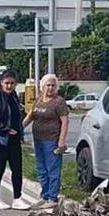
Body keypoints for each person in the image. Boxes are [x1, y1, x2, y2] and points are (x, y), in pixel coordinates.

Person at [0, 71, 32, 211]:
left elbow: (17, 114)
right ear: (1, 83)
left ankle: (17, 198)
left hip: (14, 137)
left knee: (17, 168)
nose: (9, 86)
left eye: (12, 83)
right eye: (7, 83)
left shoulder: (14, 96)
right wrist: (4, 129)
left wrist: (19, 132)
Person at [24, 74, 71, 208]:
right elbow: (30, 117)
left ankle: (52, 198)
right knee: (42, 170)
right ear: (42, 86)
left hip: (52, 140)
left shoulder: (59, 102)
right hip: (38, 139)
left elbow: (65, 122)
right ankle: (44, 196)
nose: (50, 88)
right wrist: (18, 129)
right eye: (47, 85)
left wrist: (61, 142)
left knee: (53, 170)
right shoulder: (38, 100)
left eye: (53, 85)